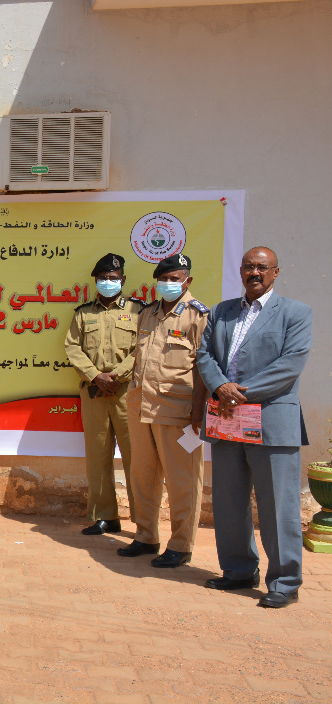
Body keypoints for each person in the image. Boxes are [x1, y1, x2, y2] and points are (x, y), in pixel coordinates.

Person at [196, 247, 312, 609]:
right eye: (249, 266)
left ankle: (285, 582)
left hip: (272, 421)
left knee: (278, 506)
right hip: (227, 420)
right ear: (241, 271)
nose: (255, 272)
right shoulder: (222, 311)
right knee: (229, 501)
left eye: (262, 267)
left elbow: (290, 364)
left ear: (276, 272)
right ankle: (239, 570)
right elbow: (204, 355)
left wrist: (238, 393)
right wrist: (220, 386)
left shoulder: (296, 313)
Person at [117, 253, 208, 568]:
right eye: (163, 279)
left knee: (183, 481)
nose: (168, 283)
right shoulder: (148, 313)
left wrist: (199, 412)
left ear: (187, 280)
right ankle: (146, 536)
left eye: (174, 278)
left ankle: (181, 545)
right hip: (141, 407)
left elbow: (205, 367)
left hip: (179, 412)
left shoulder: (198, 316)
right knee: (142, 476)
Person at [64, 253, 144, 535]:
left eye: (113, 278)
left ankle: (144, 521)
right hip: (95, 391)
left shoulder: (139, 311)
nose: (108, 282)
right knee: (98, 456)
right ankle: (105, 516)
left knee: (136, 457)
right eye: (102, 278)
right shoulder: (83, 313)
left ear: (123, 279)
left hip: (126, 392)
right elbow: (72, 347)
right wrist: (96, 376)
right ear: (96, 281)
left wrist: (116, 375)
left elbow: (143, 347)